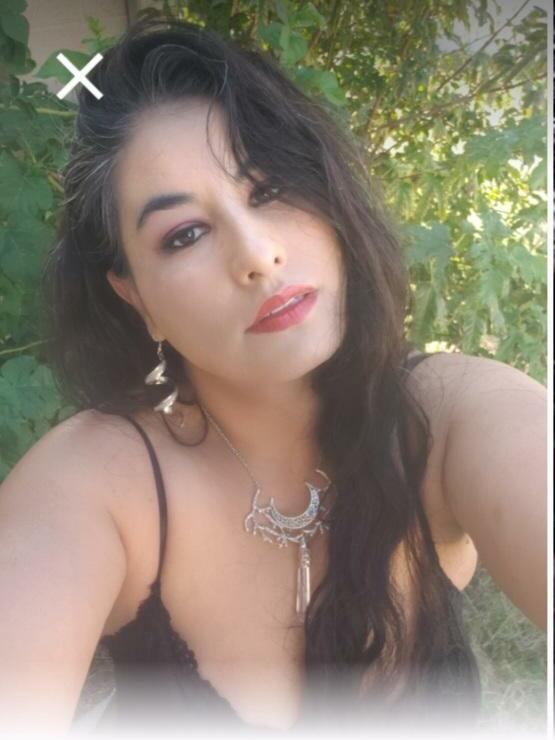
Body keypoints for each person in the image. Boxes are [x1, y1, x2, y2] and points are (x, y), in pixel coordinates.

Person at [0, 16, 546, 740]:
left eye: (270, 189)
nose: (257, 256)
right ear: (135, 297)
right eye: (184, 234)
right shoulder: (93, 486)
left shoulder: (445, 419)